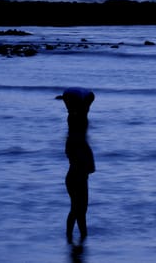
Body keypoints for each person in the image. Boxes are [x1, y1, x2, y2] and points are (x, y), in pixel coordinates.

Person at [57, 87, 96, 244]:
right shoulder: (76, 136)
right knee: (78, 208)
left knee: (80, 209)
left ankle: (78, 238)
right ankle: (75, 238)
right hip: (77, 177)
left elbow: (90, 98)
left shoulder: (74, 137)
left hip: (76, 176)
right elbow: (91, 97)